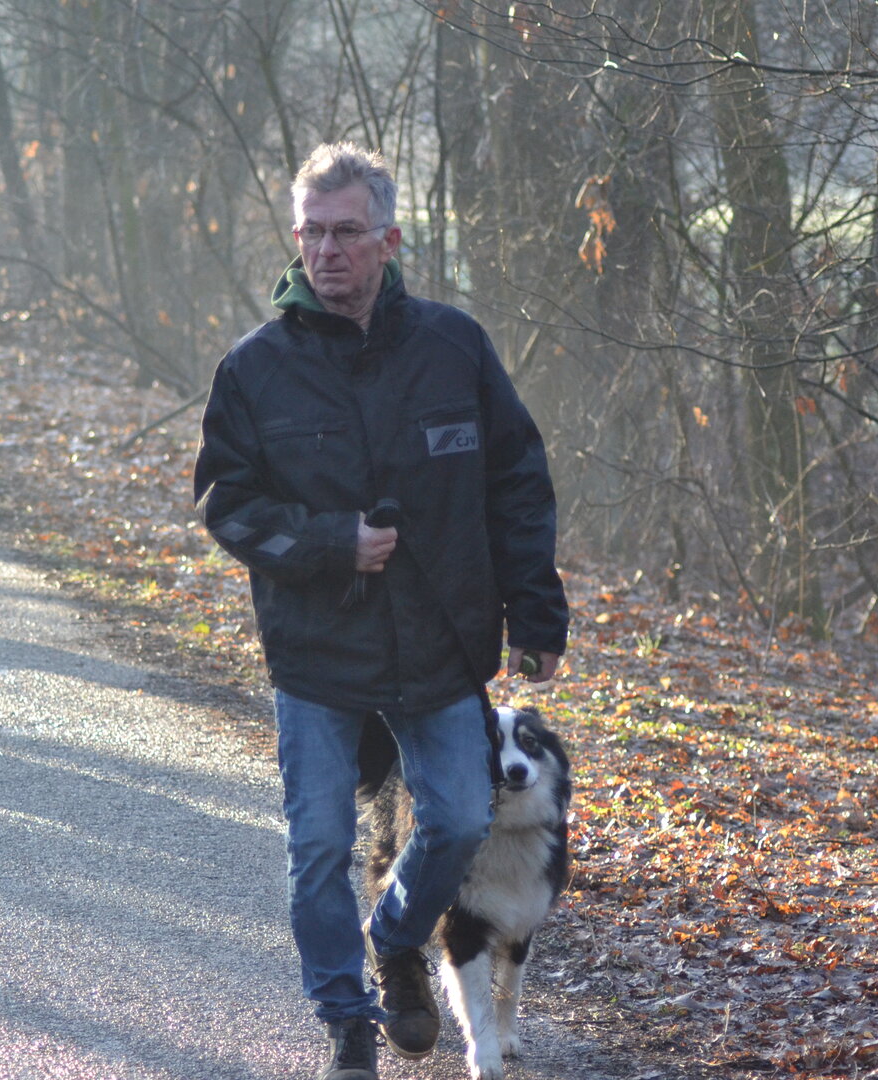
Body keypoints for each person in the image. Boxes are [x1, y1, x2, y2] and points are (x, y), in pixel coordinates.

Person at [191, 142, 569, 1080]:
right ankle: (346, 1020)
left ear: (389, 241)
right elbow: (226, 503)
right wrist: (331, 544)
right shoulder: (255, 368)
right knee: (319, 844)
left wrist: (535, 613)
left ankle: (395, 937)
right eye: (311, 233)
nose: (327, 251)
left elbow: (517, 482)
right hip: (317, 650)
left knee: (459, 821)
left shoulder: (454, 347)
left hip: (440, 645)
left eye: (347, 233)